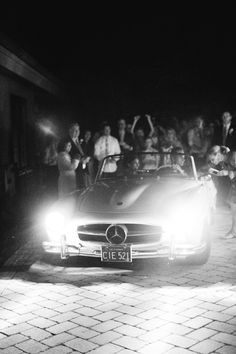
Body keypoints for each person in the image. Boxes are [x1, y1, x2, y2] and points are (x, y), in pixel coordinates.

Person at [222, 151, 236, 238]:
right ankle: (233, 230)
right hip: (234, 191)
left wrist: (230, 174)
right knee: (234, 212)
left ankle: (233, 231)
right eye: (233, 160)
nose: (235, 162)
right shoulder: (231, 168)